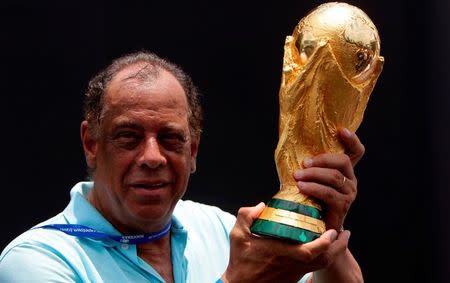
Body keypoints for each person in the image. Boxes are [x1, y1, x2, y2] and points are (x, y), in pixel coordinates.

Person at [0, 51, 365, 283]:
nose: (152, 157)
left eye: (172, 139)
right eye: (128, 137)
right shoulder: (36, 261)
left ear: (194, 150)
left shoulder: (221, 230)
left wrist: (327, 228)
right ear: (91, 144)